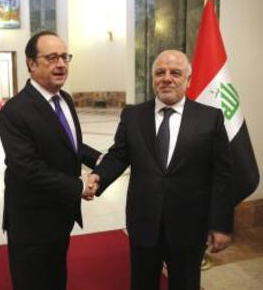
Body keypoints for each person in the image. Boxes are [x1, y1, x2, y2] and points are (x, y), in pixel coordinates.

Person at [91, 50, 234, 290]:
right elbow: (119, 155)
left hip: (189, 226)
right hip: (144, 223)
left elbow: (223, 175)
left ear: (188, 80)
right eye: (160, 72)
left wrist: (221, 224)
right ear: (153, 78)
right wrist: (98, 177)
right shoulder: (133, 115)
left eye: (175, 73)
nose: (166, 78)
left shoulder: (210, 118)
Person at [0, 30, 101, 290]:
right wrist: (78, 186)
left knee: (55, 278)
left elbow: (69, 144)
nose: (61, 64)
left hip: (60, 213)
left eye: (65, 57)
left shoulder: (64, 98)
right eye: (52, 57)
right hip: (31, 222)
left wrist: (100, 158)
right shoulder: (14, 111)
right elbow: (28, 169)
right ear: (31, 64)